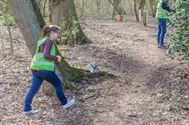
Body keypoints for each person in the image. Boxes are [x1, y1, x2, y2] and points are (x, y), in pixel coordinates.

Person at [24, 25, 75, 115]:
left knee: (33, 89)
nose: (58, 35)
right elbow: (45, 55)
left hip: (35, 68)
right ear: (52, 33)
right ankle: (65, 103)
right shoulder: (49, 41)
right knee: (57, 83)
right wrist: (56, 58)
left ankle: (27, 109)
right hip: (44, 69)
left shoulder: (42, 39)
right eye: (57, 33)